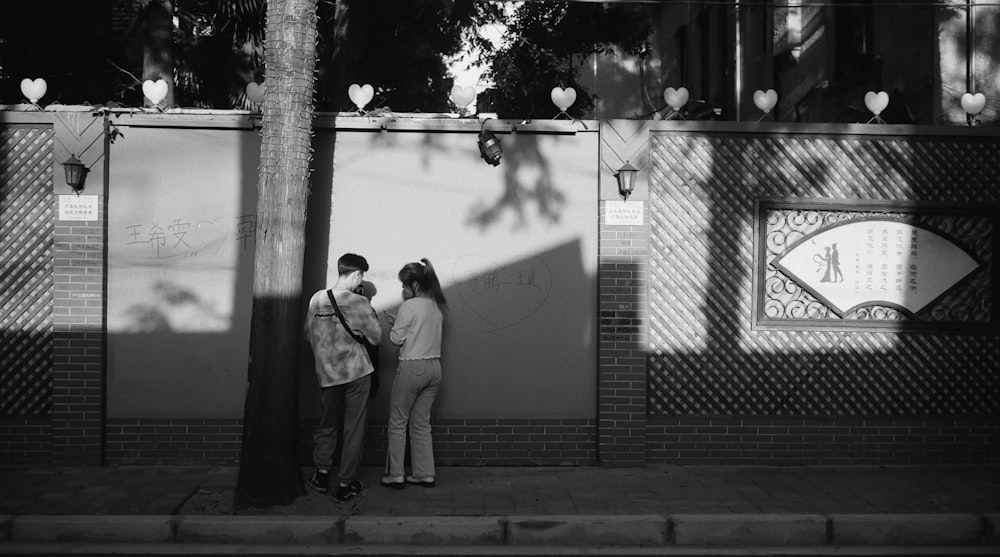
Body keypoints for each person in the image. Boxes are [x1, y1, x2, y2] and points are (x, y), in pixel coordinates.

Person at [304, 253, 382, 502]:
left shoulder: (317, 298)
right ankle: (346, 483)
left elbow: (308, 334)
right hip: (357, 373)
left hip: (327, 375)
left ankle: (322, 473)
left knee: (327, 424)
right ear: (357, 275)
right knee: (353, 429)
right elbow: (376, 338)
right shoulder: (359, 303)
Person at [381, 258, 447, 489]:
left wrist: (397, 324)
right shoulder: (436, 305)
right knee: (421, 423)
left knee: (398, 422)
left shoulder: (408, 306)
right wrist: (400, 323)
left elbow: (396, 339)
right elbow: (421, 331)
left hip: (412, 366)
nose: (402, 290)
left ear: (415, 285)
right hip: (434, 368)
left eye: (404, 285)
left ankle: (396, 474)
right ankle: (425, 473)